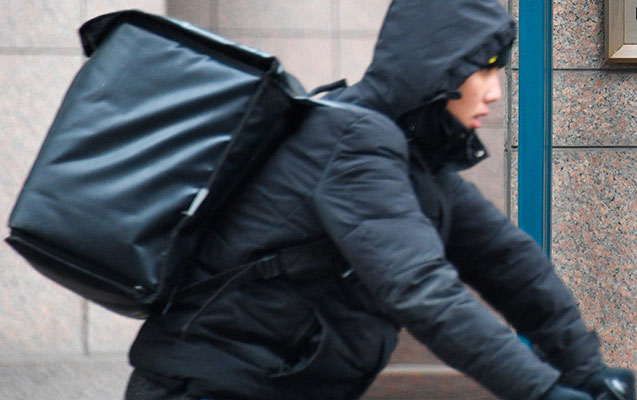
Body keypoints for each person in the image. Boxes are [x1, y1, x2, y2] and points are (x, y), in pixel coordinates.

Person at [125, 1, 635, 399]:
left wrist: (586, 371)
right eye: (484, 69)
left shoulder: (416, 159)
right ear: (438, 68)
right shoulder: (353, 142)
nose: (495, 91)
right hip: (207, 389)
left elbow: (508, 262)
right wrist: (540, 391)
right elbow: (421, 288)